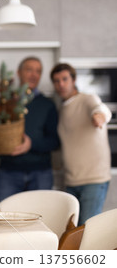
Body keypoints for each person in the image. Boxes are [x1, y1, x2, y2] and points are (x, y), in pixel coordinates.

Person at [50, 63, 111, 225]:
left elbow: (101, 109)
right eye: (56, 81)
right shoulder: (62, 109)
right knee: (73, 233)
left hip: (94, 180)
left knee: (87, 231)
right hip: (71, 181)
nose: (61, 84)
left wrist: (100, 116)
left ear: (74, 79)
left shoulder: (87, 99)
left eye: (64, 79)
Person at [0, 57, 60, 204]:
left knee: (40, 219)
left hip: (41, 173)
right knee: (5, 219)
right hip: (8, 172)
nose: (33, 74)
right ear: (19, 72)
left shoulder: (47, 105)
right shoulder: (5, 101)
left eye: (38, 71)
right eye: (29, 69)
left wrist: (31, 145)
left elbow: (55, 141)